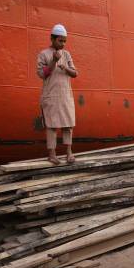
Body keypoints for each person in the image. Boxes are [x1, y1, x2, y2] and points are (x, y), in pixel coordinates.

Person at [36, 24, 78, 165]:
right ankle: (52, 155)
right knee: (52, 126)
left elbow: (75, 73)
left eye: (65, 41)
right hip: (51, 95)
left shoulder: (67, 54)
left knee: (68, 125)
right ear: (52, 39)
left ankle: (69, 153)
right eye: (60, 41)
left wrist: (65, 67)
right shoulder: (43, 54)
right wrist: (54, 60)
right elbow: (42, 74)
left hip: (65, 95)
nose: (63, 44)